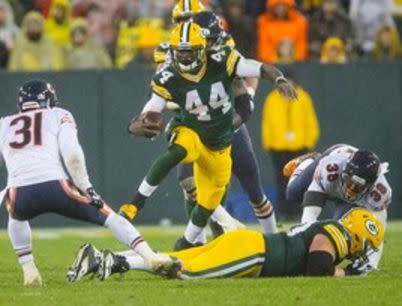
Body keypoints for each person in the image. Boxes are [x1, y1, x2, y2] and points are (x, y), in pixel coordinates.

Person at [0, 80, 174, 286]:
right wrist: (87, 188)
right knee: (109, 217)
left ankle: (29, 271)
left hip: (20, 194)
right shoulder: (59, 114)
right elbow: (72, 154)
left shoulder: (0, 126)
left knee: (15, 216)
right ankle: (149, 256)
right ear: (48, 100)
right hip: (57, 186)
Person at [121, 21, 296, 251]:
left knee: (208, 202)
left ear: (202, 49)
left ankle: (187, 242)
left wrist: (279, 79)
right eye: (179, 52)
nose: (183, 58)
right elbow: (152, 107)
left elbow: (258, 68)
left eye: (188, 52)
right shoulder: (168, 75)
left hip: (220, 143)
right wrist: (138, 124)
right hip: (190, 130)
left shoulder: (222, 59)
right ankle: (136, 203)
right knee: (179, 151)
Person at [67, 208, 384, 281]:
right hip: (255, 253)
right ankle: (111, 262)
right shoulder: (334, 233)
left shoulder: (329, 226)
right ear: (358, 235)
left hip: (248, 243)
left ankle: (103, 258)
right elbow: (318, 266)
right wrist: (349, 274)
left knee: (178, 257)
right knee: (186, 271)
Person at [284, 144, 391, 270]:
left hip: (351, 202)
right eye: (348, 181)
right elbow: (311, 210)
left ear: (370, 185)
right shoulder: (330, 167)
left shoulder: (379, 192)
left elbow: (377, 231)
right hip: (333, 158)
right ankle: (306, 162)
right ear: (344, 170)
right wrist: (305, 242)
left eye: (357, 187)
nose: (350, 189)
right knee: (292, 193)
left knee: (338, 237)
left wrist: (371, 263)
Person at [261, 74, 319, 219]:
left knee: (300, 180)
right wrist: (268, 142)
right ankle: (283, 212)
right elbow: (267, 121)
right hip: (278, 146)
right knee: (281, 180)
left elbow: (310, 121)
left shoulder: (303, 97)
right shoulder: (272, 98)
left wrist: (309, 141)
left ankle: (299, 212)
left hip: (299, 146)